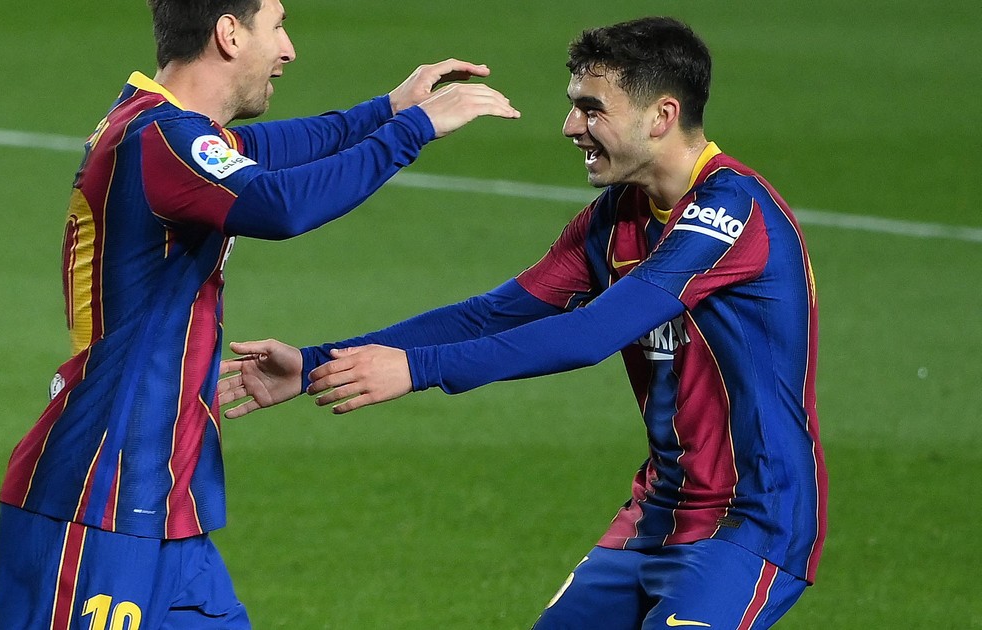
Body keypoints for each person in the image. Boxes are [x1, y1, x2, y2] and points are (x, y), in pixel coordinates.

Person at [218, 16, 825, 629]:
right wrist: (315, 365)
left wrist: (418, 368)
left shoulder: (731, 212)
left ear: (662, 116)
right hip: (656, 516)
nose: (571, 127)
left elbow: (592, 333)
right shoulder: (616, 216)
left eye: (592, 110)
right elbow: (492, 315)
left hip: (748, 525)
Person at [0, 0, 520, 626]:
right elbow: (279, 205)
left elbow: (277, 148)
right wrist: (415, 129)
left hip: (167, 505)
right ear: (229, 34)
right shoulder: (159, 140)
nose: (288, 49)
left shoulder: (167, 131)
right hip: (99, 494)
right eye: (277, 25)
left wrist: (388, 109)